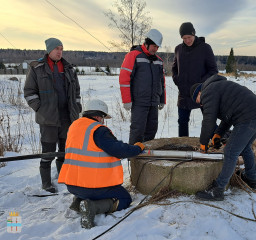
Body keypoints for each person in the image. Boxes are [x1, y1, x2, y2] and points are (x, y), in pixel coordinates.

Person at [58, 99, 145, 229]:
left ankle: (79, 201)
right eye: (103, 118)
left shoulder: (74, 126)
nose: (103, 121)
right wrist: (137, 149)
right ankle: (93, 207)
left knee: (88, 191)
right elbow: (118, 149)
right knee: (125, 198)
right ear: (99, 116)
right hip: (91, 186)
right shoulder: (98, 130)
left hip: (72, 185)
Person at [190, 74, 256, 201]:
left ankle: (218, 190)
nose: (202, 105)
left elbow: (208, 120)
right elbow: (228, 116)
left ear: (199, 93)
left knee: (230, 151)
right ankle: (251, 180)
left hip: (248, 117)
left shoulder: (207, 92)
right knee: (245, 147)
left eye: (199, 102)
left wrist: (203, 143)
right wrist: (218, 134)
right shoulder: (217, 87)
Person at [24, 38, 81, 193]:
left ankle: (63, 177)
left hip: (67, 117)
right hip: (48, 118)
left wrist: (77, 107)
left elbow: (76, 92)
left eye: (61, 48)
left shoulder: (68, 68)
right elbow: (29, 92)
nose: (59, 51)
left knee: (64, 150)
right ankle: (46, 183)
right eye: (56, 48)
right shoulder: (37, 68)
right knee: (48, 152)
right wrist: (40, 108)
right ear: (49, 50)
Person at [119, 29, 166, 144]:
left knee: (151, 130)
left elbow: (162, 82)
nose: (156, 49)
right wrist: (126, 100)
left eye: (157, 47)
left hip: (153, 102)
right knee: (137, 131)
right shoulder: (134, 55)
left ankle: (147, 158)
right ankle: (134, 159)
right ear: (147, 43)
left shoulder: (159, 61)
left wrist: (162, 100)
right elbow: (124, 78)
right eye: (154, 46)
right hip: (139, 102)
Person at [172, 22, 218, 137]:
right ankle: (183, 147)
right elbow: (174, 69)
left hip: (202, 93)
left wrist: (201, 86)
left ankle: (216, 144)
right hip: (183, 94)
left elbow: (213, 71)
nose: (187, 40)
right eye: (184, 38)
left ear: (194, 34)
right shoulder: (178, 49)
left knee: (210, 122)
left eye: (189, 37)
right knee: (182, 122)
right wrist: (178, 81)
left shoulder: (205, 48)